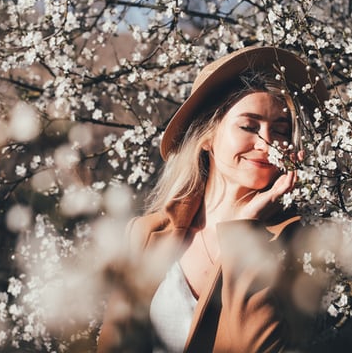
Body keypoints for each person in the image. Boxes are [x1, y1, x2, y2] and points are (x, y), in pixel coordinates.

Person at [97, 46, 328, 353]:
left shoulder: (300, 246)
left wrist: (246, 231)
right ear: (208, 135)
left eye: (281, 130)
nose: (267, 143)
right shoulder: (145, 235)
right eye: (249, 126)